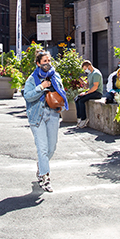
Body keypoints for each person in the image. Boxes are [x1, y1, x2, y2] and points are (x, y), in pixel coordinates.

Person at [23, 51, 67, 192]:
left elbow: (62, 92)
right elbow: (28, 96)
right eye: (44, 61)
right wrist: (41, 87)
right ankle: (45, 177)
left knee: (51, 147)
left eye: (49, 60)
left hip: (53, 114)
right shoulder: (32, 79)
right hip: (37, 115)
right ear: (38, 63)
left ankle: (41, 166)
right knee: (42, 148)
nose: (47, 63)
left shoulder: (56, 75)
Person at [76, 60, 103, 128]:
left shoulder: (96, 73)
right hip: (92, 91)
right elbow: (88, 86)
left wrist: (86, 93)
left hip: (97, 92)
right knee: (77, 98)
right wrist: (83, 83)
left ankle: (84, 119)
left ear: (89, 66)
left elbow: (95, 87)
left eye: (85, 69)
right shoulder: (90, 74)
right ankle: (79, 118)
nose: (85, 71)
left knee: (81, 100)